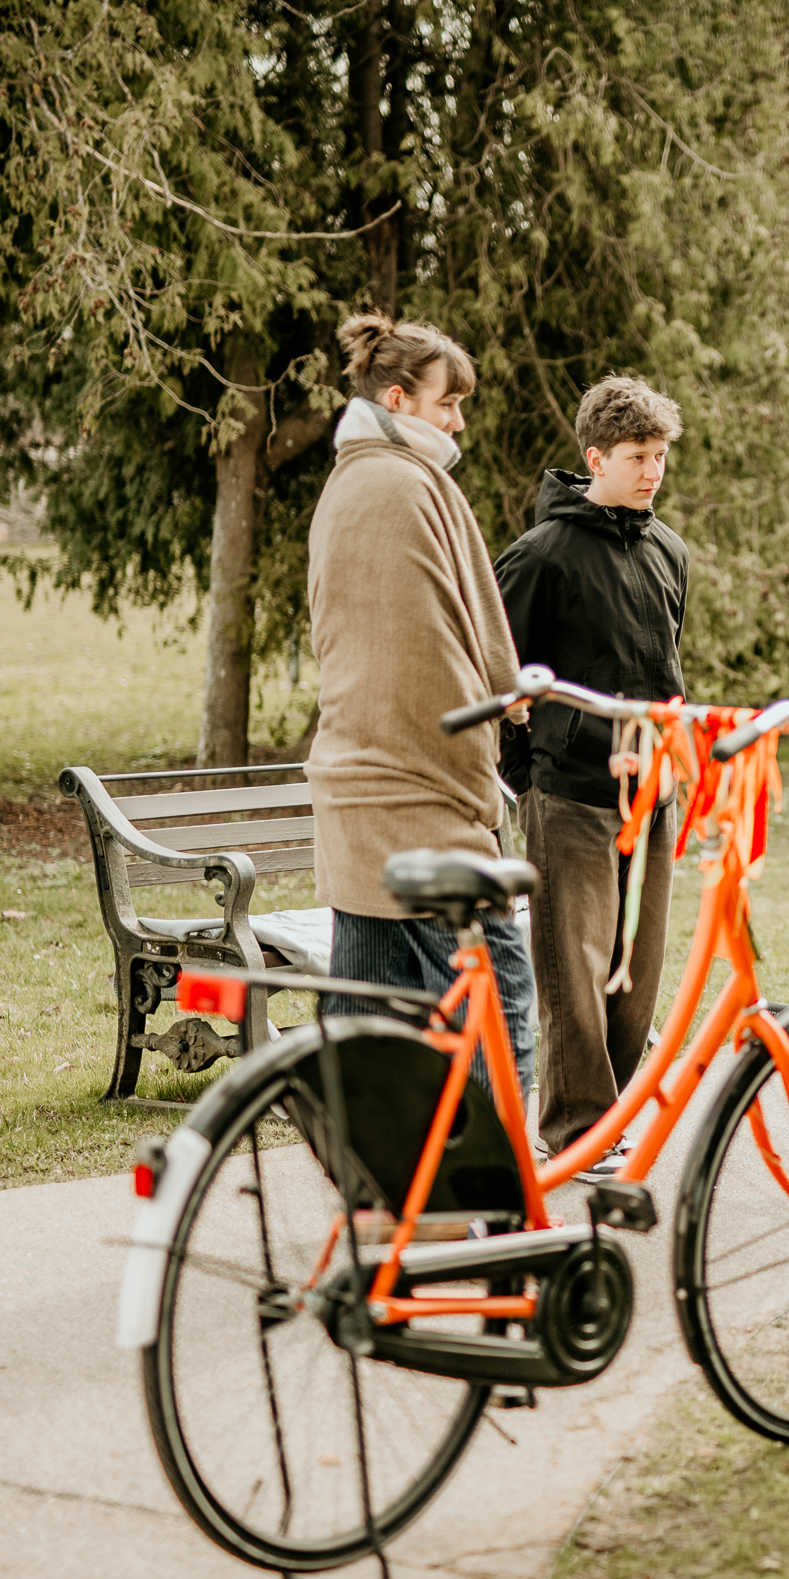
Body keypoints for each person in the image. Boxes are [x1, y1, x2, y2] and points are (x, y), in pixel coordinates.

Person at [306, 311, 536, 1093]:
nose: (458, 422)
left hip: (351, 798)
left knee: (371, 1031)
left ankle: (387, 1198)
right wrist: (489, 747)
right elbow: (440, 658)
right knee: (497, 1009)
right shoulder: (413, 484)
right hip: (422, 799)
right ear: (400, 399)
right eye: (448, 404)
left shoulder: (343, 486)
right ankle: (500, 1197)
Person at [495, 376, 689, 1168]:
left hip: (654, 788)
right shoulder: (541, 556)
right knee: (573, 970)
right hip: (569, 792)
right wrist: (530, 778)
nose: (653, 472)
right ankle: (580, 1128)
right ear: (595, 457)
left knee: (634, 974)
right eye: (639, 457)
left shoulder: (670, 549)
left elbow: (671, 664)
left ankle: (611, 1116)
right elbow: (500, 676)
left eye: (662, 456)